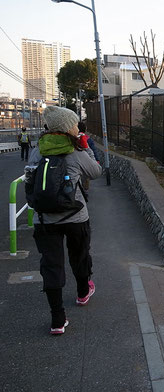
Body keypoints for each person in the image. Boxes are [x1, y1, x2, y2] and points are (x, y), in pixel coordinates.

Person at [28, 106, 102, 335]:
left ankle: (57, 320)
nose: (77, 127)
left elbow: (29, 179)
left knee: (51, 265)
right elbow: (96, 172)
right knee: (79, 256)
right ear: (68, 127)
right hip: (76, 216)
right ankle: (82, 293)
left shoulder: (38, 150)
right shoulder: (76, 151)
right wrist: (86, 147)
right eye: (74, 124)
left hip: (45, 219)